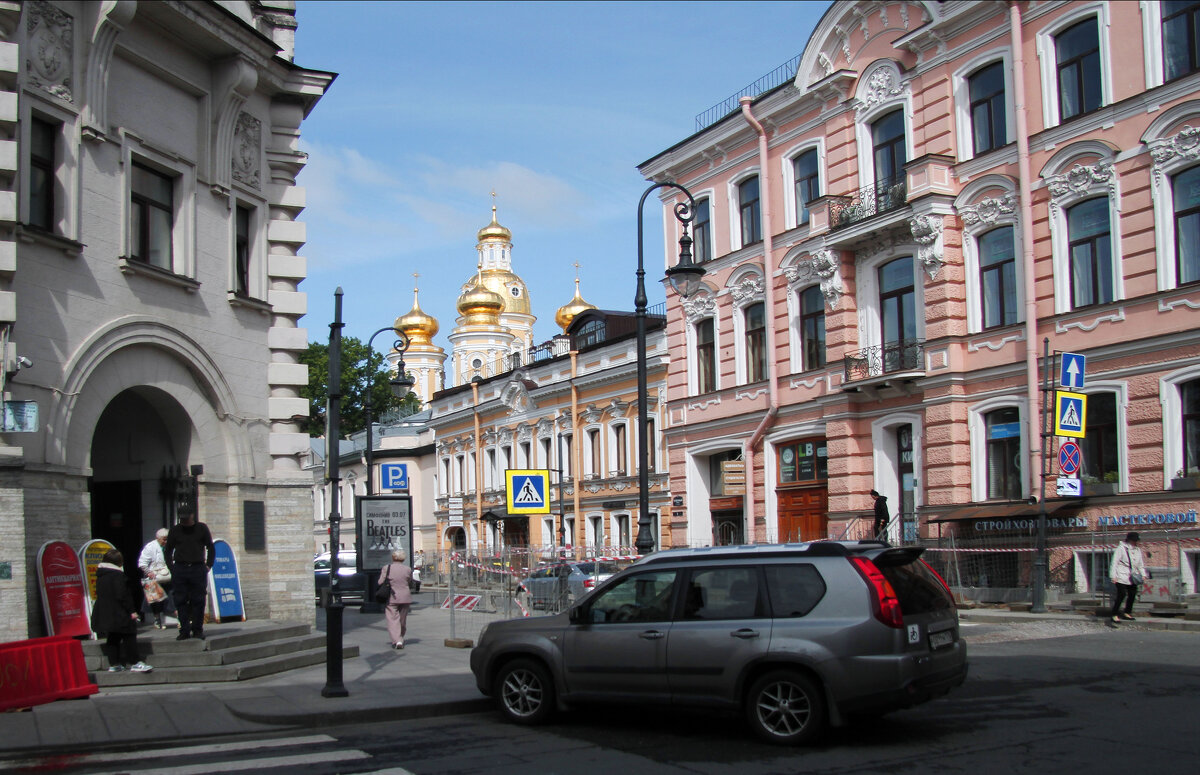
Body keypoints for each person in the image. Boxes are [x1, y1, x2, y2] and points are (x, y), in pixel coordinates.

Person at [90, 549, 153, 673]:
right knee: (129, 635)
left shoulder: (100, 575)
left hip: (106, 611)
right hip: (119, 611)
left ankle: (114, 664)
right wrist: (132, 611)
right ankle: (134, 662)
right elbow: (123, 595)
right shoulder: (118, 576)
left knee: (113, 636)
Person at [165, 510, 215, 641]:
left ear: (192, 516)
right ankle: (184, 630)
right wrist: (172, 567)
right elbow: (168, 550)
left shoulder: (201, 528)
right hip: (180, 567)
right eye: (182, 519)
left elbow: (210, 547)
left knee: (198, 600)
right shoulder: (175, 530)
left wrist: (208, 565)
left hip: (197, 567)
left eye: (186, 518)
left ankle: (197, 629)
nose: (184, 521)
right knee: (180, 600)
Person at [378, 548, 414, 649]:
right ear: (403, 559)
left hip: (392, 597)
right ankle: (400, 637)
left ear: (393, 558)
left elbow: (380, 582)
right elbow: (409, 581)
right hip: (405, 597)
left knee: (393, 619)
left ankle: (397, 640)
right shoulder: (407, 569)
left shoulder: (386, 568)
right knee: (402, 619)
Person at [1109, 531, 1148, 624]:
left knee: (1132, 594)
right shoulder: (1121, 548)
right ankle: (1114, 614)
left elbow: (1140, 564)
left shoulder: (1138, 550)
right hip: (1121, 575)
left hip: (1132, 576)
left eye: (1136, 540)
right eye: (1134, 540)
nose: (1135, 542)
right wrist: (1113, 576)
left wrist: (1143, 574)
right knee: (1122, 594)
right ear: (1129, 540)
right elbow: (1114, 562)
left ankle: (1127, 612)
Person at [138, 528, 172, 629]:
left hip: (168, 576)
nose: (166, 542)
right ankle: (157, 620)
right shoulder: (150, 547)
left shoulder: (171, 546)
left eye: (167, 539)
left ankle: (180, 619)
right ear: (158, 538)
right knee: (155, 600)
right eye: (164, 539)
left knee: (173, 597)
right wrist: (149, 572)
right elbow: (142, 563)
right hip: (154, 577)